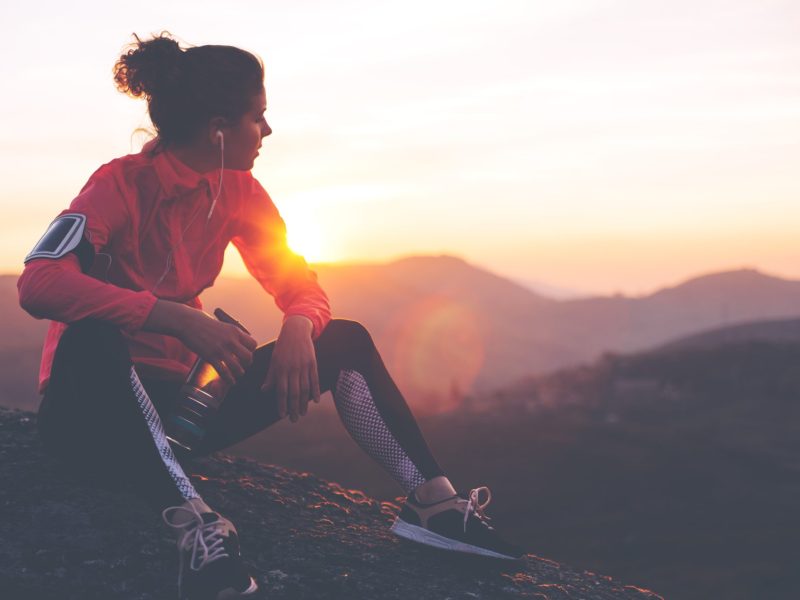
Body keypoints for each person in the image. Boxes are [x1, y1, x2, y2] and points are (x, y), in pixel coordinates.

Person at [17, 32, 523, 600]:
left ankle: (433, 505)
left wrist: (300, 326)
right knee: (96, 334)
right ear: (218, 128)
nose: (267, 130)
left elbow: (298, 282)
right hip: (90, 417)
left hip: (181, 414)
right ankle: (195, 526)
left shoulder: (239, 190)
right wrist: (170, 318)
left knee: (346, 340)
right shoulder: (117, 185)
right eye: (258, 117)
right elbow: (39, 283)